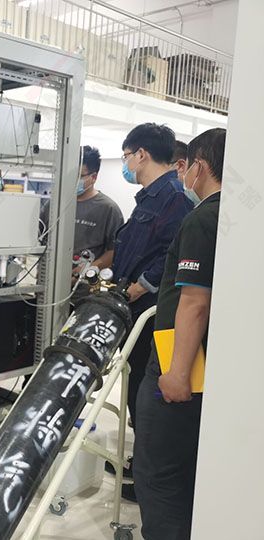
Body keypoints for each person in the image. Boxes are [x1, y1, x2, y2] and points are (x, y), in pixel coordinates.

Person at [134, 128, 226, 539]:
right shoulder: (235, 218)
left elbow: (194, 302)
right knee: (186, 471)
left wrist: (176, 373)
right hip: (206, 361)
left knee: (158, 474)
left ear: (200, 167)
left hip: (181, 363)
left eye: (188, 167)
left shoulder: (203, 219)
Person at [111, 123, 194, 499]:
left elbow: (174, 255)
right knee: (136, 396)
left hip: (153, 315)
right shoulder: (148, 198)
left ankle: (149, 478)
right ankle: (140, 467)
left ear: (141, 154)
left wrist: (141, 284)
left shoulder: (174, 198)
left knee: (149, 400)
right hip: (134, 311)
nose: (126, 164)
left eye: (126, 156)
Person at [69, 145, 124, 299]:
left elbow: (115, 251)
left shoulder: (108, 209)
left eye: (79, 176)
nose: (72, 180)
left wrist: (86, 270)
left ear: (93, 177)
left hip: (85, 293)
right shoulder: (55, 205)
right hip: (49, 287)